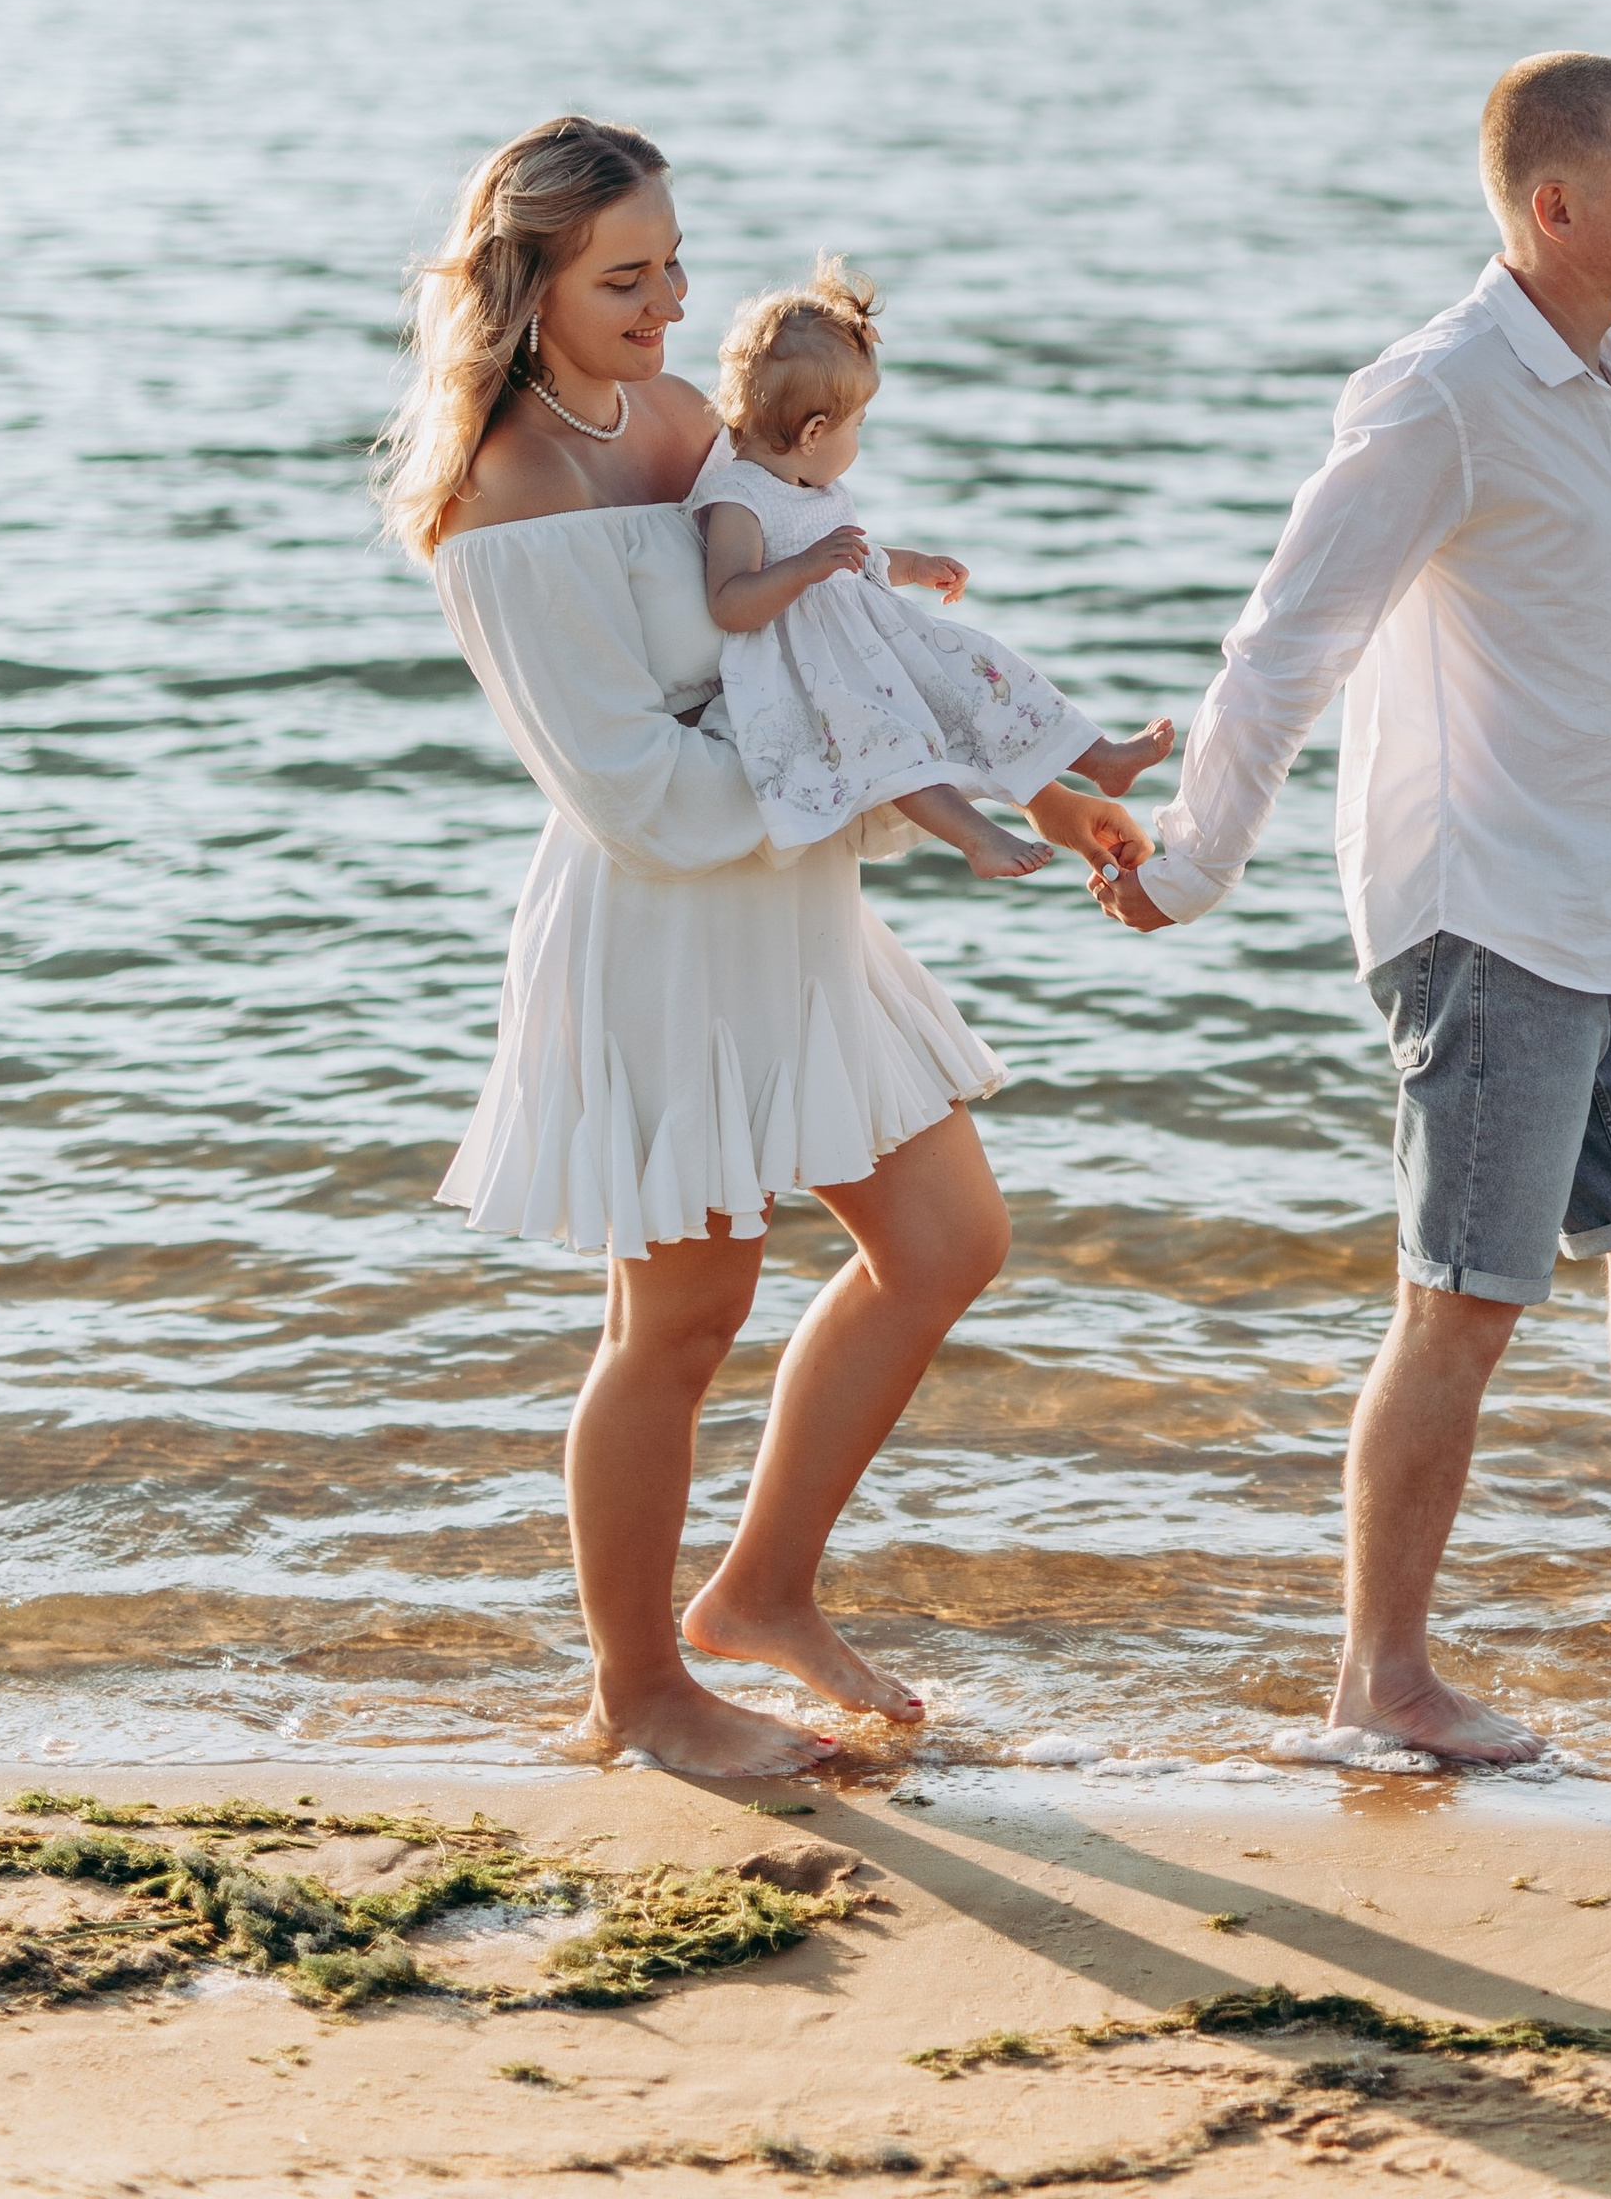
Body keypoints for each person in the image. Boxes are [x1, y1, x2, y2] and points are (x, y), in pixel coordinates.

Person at [1091, 52, 1611, 1765]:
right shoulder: (1440, 394)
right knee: (1462, 1300)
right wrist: (1190, 862)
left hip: (1587, 903)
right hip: (1482, 912)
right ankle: (1377, 1686)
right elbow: (1282, 644)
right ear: (1555, 208)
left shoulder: (1599, 375)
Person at [381, 114, 1149, 1779]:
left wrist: (1043, 781)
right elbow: (631, 784)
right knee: (677, 1318)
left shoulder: (671, 421)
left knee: (945, 1240)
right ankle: (639, 1691)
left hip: (798, 901)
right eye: (624, 279)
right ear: (525, 286)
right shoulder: (506, 476)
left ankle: (764, 1591)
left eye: (675, 267)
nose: (666, 310)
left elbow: (832, 642)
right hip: (658, 922)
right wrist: (868, 796)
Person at [694, 258, 1173, 881]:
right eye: (857, 424)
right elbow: (729, 603)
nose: (859, 439)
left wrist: (913, 566)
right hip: (814, 673)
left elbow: (855, 567)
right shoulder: (741, 498)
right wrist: (806, 568)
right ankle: (975, 838)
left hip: (874, 646)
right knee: (891, 748)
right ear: (814, 431)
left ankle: (1096, 755)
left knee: (982, 669)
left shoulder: (812, 488)